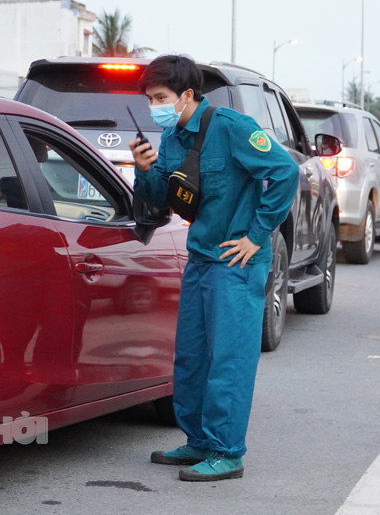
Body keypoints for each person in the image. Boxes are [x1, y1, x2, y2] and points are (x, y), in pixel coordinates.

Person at [129, 54, 299, 481]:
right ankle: (199, 441)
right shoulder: (172, 138)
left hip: (236, 263)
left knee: (229, 358)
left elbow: (285, 172)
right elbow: (162, 199)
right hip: (201, 258)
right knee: (191, 357)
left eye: (161, 97)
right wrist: (144, 169)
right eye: (149, 98)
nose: (155, 106)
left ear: (188, 94)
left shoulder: (231, 127)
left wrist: (257, 236)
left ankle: (227, 452)